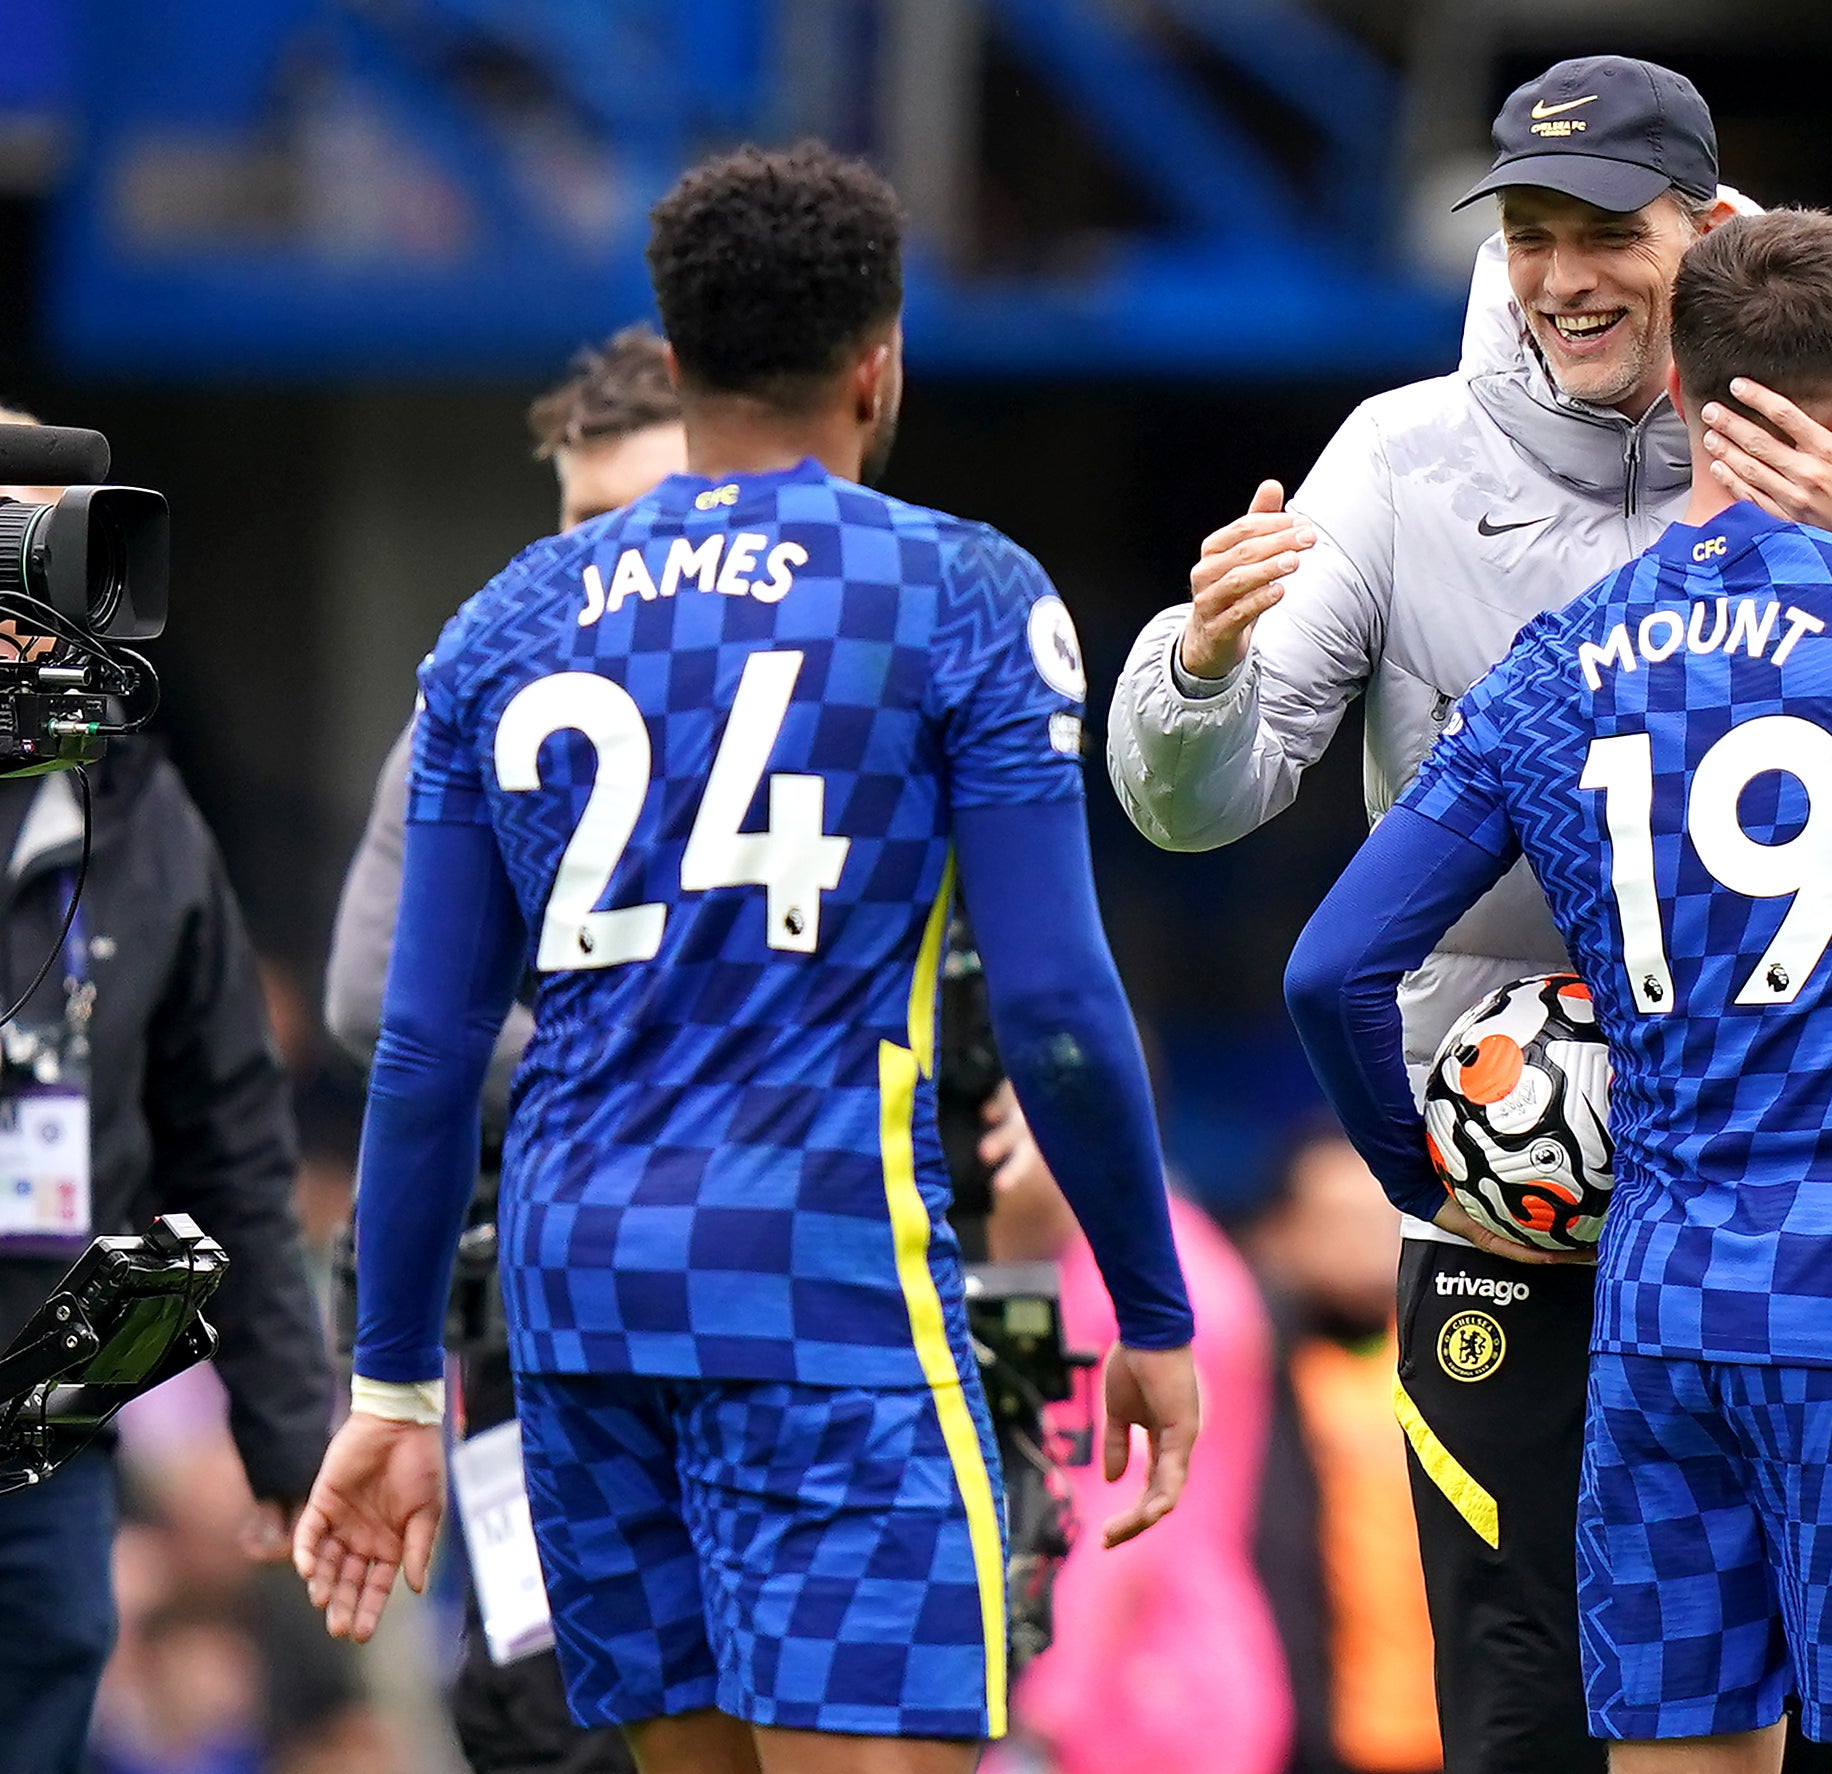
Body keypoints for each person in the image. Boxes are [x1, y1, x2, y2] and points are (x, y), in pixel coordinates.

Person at [290, 142, 1202, 1774]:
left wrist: (395, 1389)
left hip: (578, 1313)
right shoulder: (963, 593)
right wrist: (1150, 1304)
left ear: (678, 352)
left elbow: (423, 1050)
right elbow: (1057, 1002)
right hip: (827, 1288)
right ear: (880, 361)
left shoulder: (501, 626)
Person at [1109, 54, 1832, 1774]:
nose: (1559, 273)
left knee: (1820, 1707)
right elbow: (1192, 803)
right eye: (1527, 232)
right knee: (1527, 1699)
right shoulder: (1397, 458)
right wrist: (1195, 662)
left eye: (1604, 231)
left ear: (1707, 226)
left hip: (1788, 1199)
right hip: (1523, 1197)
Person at [1285, 209, 1832, 1773]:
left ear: (1677, 382)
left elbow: (1332, 969)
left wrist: (1438, 1178)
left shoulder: (1553, 662)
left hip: (1657, 1302)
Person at [323, 322, 686, 1774]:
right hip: (530, 1306)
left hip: (778, 1300)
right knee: (551, 1713)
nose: (602, 557)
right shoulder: (475, 702)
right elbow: (367, 998)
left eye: (640, 516)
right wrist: (643, 1075)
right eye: (578, 520)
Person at [0, 415, 333, 1773]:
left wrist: (289, 1435)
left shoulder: (138, 812)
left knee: (53, 1666)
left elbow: (233, 1150)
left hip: (43, 1414)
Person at [983, 1084, 1290, 1774]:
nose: (981, 1152)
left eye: (1002, 1125)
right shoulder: (1100, 1260)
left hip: (1151, 1701)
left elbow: (1130, 1516)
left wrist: (1041, 1724)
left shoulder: (1161, 1287)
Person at [1244, 1121, 1445, 1774]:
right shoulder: (1256, 1372)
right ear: (1283, 1234)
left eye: (1377, 1219)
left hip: (1445, 1729)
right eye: (1334, 1221)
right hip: (1313, 1730)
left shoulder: (1454, 1370)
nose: (1359, 1245)